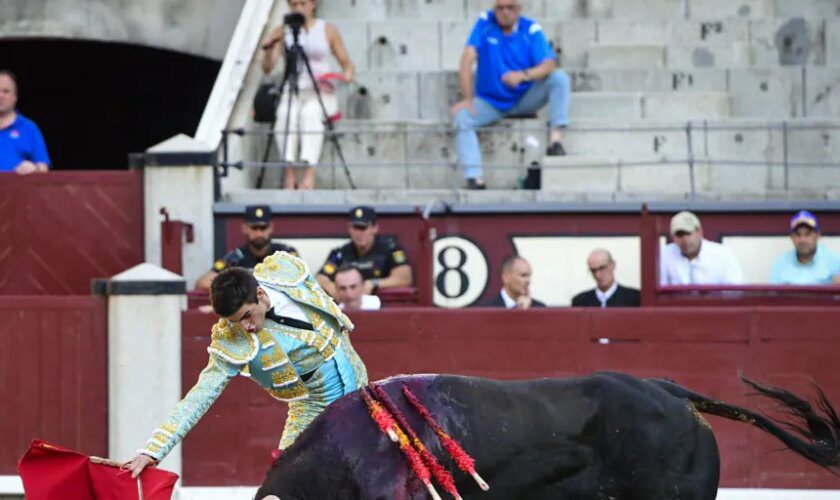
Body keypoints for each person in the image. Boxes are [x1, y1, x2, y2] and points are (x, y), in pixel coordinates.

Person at [126, 252, 368, 477]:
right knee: (286, 484)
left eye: (247, 316)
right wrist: (154, 449)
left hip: (362, 389)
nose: (246, 327)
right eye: (236, 321)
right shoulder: (233, 340)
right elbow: (200, 395)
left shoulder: (284, 271)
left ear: (260, 295)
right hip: (315, 410)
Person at [452, 0, 571, 189]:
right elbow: (467, 58)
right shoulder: (484, 22)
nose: (505, 12)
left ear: (519, 9)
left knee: (560, 78)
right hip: (490, 102)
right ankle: (475, 178)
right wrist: (467, 98)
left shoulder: (530, 28)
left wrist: (523, 75)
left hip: (524, 97)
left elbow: (549, 64)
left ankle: (555, 141)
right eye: (500, 8)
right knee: (462, 117)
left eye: (510, 7)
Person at [261, 0, 355, 190]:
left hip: (320, 91)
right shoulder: (283, 31)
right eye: (294, 5)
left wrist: (344, 76)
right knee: (286, 116)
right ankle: (289, 176)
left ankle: (308, 176)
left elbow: (347, 64)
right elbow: (268, 68)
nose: (298, 9)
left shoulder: (327, 30)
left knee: (310, 116)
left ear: (313, 5)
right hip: (293, 90)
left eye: (302, 3)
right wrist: (269, 48)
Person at [195, 205, 298, 291]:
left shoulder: (285, 253)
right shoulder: (236, 257)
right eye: (254, 228)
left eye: (263, 228)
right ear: (244, 228)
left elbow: (299, 281)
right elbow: (203, 283)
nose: (259, 233)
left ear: (271, 227)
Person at [317, 206, 412, 297]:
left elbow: (404, 278)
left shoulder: (390, 249)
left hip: (380, 305)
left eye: (363, 228)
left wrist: (374, 283)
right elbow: (320, 278)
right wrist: (333, 289)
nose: (359, 233)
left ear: (374, 228)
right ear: (349, 229)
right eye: (355, 228)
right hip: (346, 305)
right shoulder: (339, 253)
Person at [659, 211, 744, 285]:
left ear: (699, 232)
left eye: (688, 233)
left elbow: (736, 289)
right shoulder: (664, 255)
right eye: (679, 235)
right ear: (673, 237)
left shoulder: (722, 254)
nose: (685, 240)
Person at [0, 70, 50, 174]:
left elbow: (44, 169)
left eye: (6, 91)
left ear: (15, 97)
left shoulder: (29, 128)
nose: (0, 96)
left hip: (18, 190)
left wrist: (34, 169)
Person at [770, 210, 840, 285]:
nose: (803, 240)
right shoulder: (780, 264)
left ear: (818, 235)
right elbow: (772, 295)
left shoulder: (834, 262)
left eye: (808, 234)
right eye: (798, 234)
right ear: (792, 237)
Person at [572, 249, 640, 307]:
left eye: (602, 268)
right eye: (593, 271)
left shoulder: (634, 298)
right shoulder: (580, 301)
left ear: (612, 265)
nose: (598, 275)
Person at [481, 255, 545, 308]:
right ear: (506, 277)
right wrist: (518, 311)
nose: (528, 281)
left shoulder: (538, 308)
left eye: (529, 276)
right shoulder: (487, 309)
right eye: (523, 275)